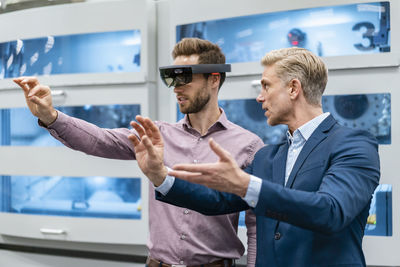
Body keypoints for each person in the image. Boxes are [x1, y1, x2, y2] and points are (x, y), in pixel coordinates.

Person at [13, 38, 264, 267]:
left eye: (184, 77)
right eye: (171, 78)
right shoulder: (157, 136)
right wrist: (51, 117)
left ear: (214, 79)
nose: (176, 87)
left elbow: (257, 226)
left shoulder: (248, 146)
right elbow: (99, 140)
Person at [132, 47, 380, 267]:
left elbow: (331, 211)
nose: (260, 97)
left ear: (293, 88)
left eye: (266, 86)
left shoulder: (353, 144)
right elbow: (216, 201)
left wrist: (248, 186)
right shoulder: (268, 157)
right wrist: (160, 176)